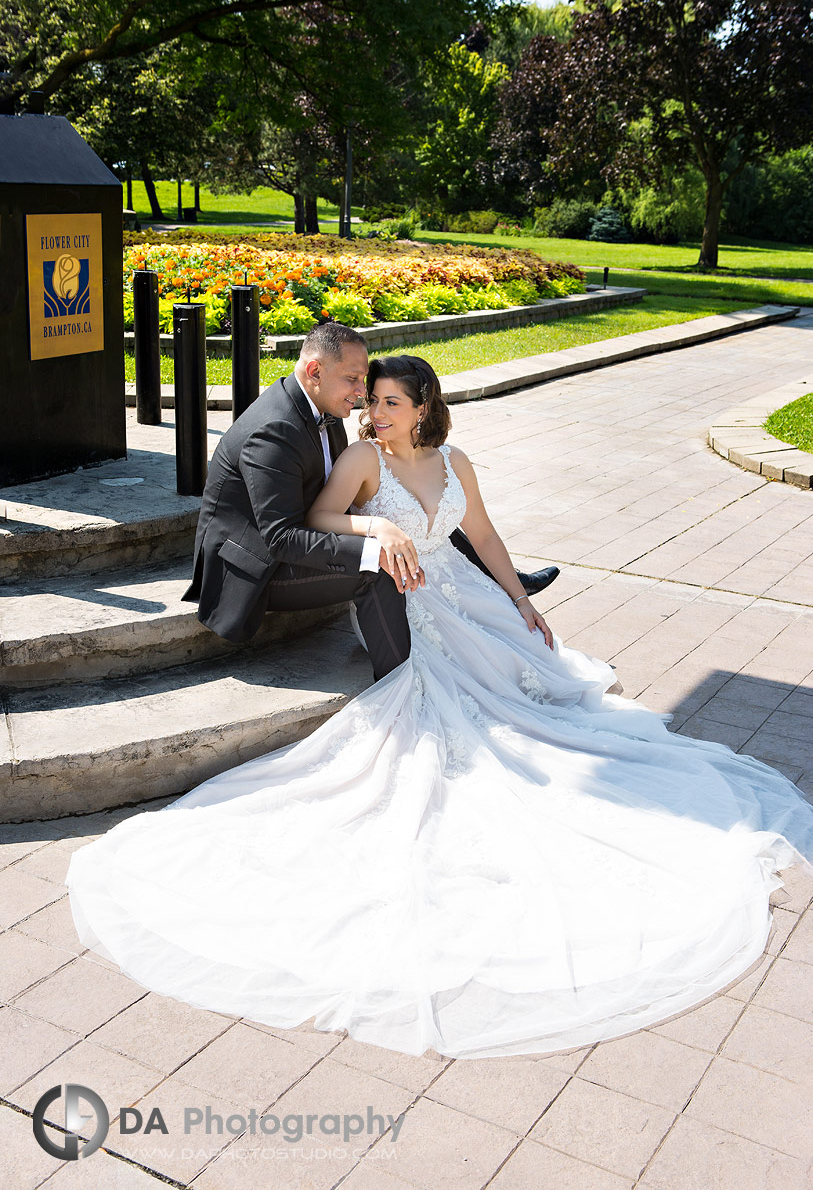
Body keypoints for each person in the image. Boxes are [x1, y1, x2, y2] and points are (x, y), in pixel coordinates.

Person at [67, 355, 813, 1061]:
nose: (375, 412)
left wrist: (521, 599)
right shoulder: (363, 462)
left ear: (425, 407)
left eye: (391, 402)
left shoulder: (457, 464)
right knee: (463, 712)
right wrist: (375, 524)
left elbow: (481, 534)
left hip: (469, 592)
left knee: (543, 677)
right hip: (415, 598)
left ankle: (514, 654)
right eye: (371, 401)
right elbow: (323, 519)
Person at [180, 320, 558, 680]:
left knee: (423, 519)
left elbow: (477, 528)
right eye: (354, 380)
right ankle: (400, 687)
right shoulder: (274, 430)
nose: (363, 395)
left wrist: (518, 596)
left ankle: (508, 585)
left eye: (367, 383)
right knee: (379, 570)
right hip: (256, 568)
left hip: (305, 534)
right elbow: (281, 537)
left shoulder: (321, 408)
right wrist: (373, 542)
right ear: (315, 371)